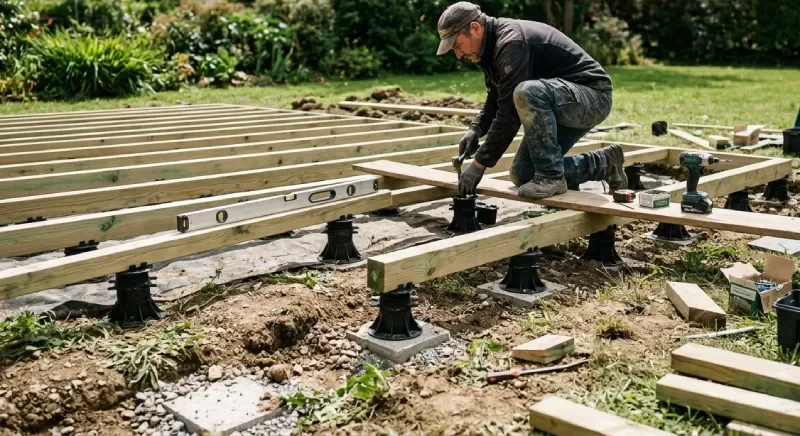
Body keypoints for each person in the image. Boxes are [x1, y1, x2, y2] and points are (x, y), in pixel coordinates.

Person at [436, 1, 627, 198]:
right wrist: (475, 130)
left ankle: (551, 177)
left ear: (475, 28)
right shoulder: (490, 48)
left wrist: (479, 165)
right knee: (523, 174)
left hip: (593, 97)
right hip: (560, 102)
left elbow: (508, 114)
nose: (458, 54)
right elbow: (496, 97)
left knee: (527, 92)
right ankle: (605, 163)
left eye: (458, 45)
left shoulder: (511, 43)